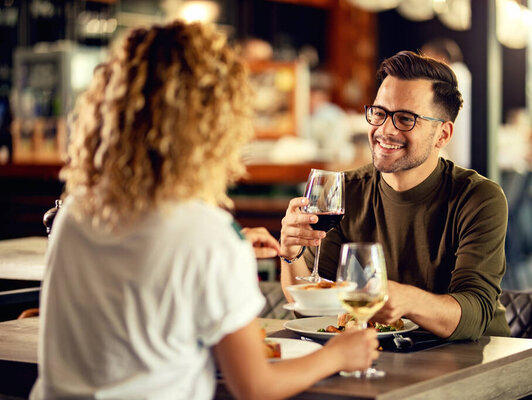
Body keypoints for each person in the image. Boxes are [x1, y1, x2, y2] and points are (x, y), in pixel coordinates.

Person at [30, 21, 379, 400]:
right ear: (213, 123)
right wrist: (338, 354)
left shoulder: (77, 209)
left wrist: (224, 254)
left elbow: (137, 279)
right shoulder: (206, 235)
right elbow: (257, 387)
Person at [279, 51, 510, 341]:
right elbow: (313, 314)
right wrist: (290, 253)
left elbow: (474, 314)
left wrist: (403, 298)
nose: (385, 130)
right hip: (379, 359)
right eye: (379, 113)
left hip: (476, 361)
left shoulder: (478, 198)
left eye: (405, 118)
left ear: (443, 135)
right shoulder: (344, 192)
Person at [421, 38, 472, 169]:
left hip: (452, 144)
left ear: (440, 57)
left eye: (427, 58)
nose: (423, 65)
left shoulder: (452, 78)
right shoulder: (463, 74)